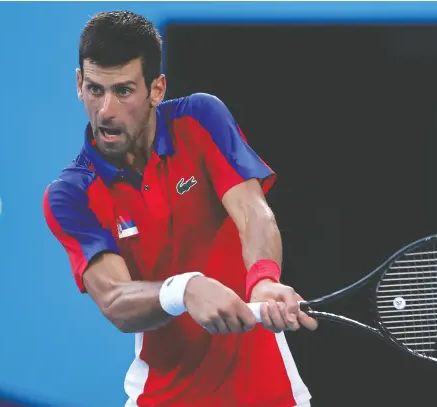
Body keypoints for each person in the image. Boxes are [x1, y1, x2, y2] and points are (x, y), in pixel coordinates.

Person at [43, 10, 318, 407]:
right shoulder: (71, 195)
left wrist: (262, 279)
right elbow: (116, 301)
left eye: (123, 91)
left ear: (156, 89)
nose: (105, 110)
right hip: (161, 398)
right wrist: (183, 289)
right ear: (78, 84)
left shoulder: (200, 119)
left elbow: (252, 211)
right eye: (95, 89)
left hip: (269, 394)